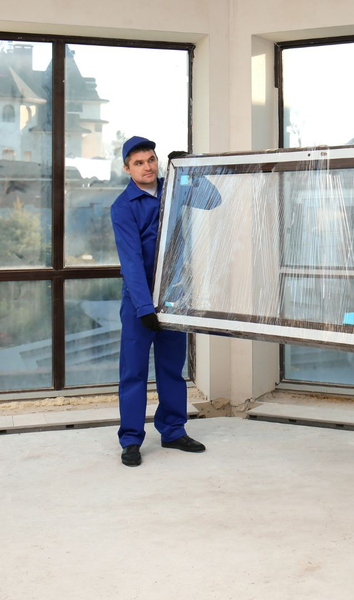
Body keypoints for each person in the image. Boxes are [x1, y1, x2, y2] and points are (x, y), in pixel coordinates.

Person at [111, 136, 206, 467]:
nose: (148, 166)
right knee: (134, 372)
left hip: (174, 296)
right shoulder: (123, 207)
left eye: (151, 159)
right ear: (127, 168)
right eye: (139, 163)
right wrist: (144, 308)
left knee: (171, 368)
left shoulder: (175, 186)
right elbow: (132, 262)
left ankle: (173, 431)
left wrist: (192, 171)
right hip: (141, 300)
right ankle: (131, 440)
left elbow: (212, 201)